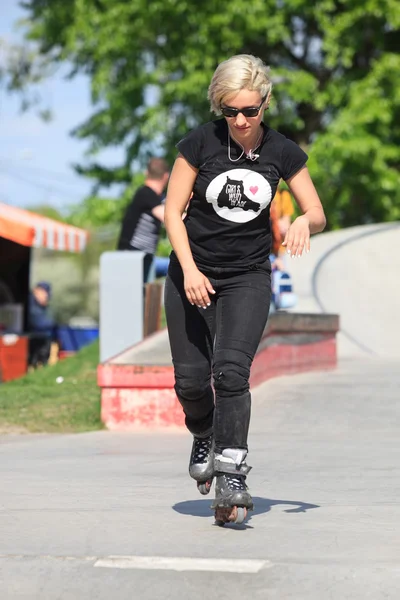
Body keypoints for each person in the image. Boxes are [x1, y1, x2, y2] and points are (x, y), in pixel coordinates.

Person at [164, 54, 326, 526]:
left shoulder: (283, 152)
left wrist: (301, 219)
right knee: (190, 383)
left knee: (231, 371)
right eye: (229, 110)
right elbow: (173, 212)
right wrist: (191, 271)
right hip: (191, 273)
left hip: (247, 277)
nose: (239, 120)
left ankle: (232, 470)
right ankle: (205, 432)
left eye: (249, 111)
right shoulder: (199, 142)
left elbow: (317, 211)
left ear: (265, 105)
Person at [117, 157, 170, 283]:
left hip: (143, 258)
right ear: (166, 176)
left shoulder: (156, 197)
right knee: (177, 267)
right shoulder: (146, 193)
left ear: (146, 173)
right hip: (134, 258)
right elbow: (168, 217)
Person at [27, 281, 56, 367]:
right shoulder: (31, 305)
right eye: (43, 292)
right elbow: (39, 322)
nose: (46, 296)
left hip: (44, 339)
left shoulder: (44, 308)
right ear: (36, 291)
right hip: (33, 338)